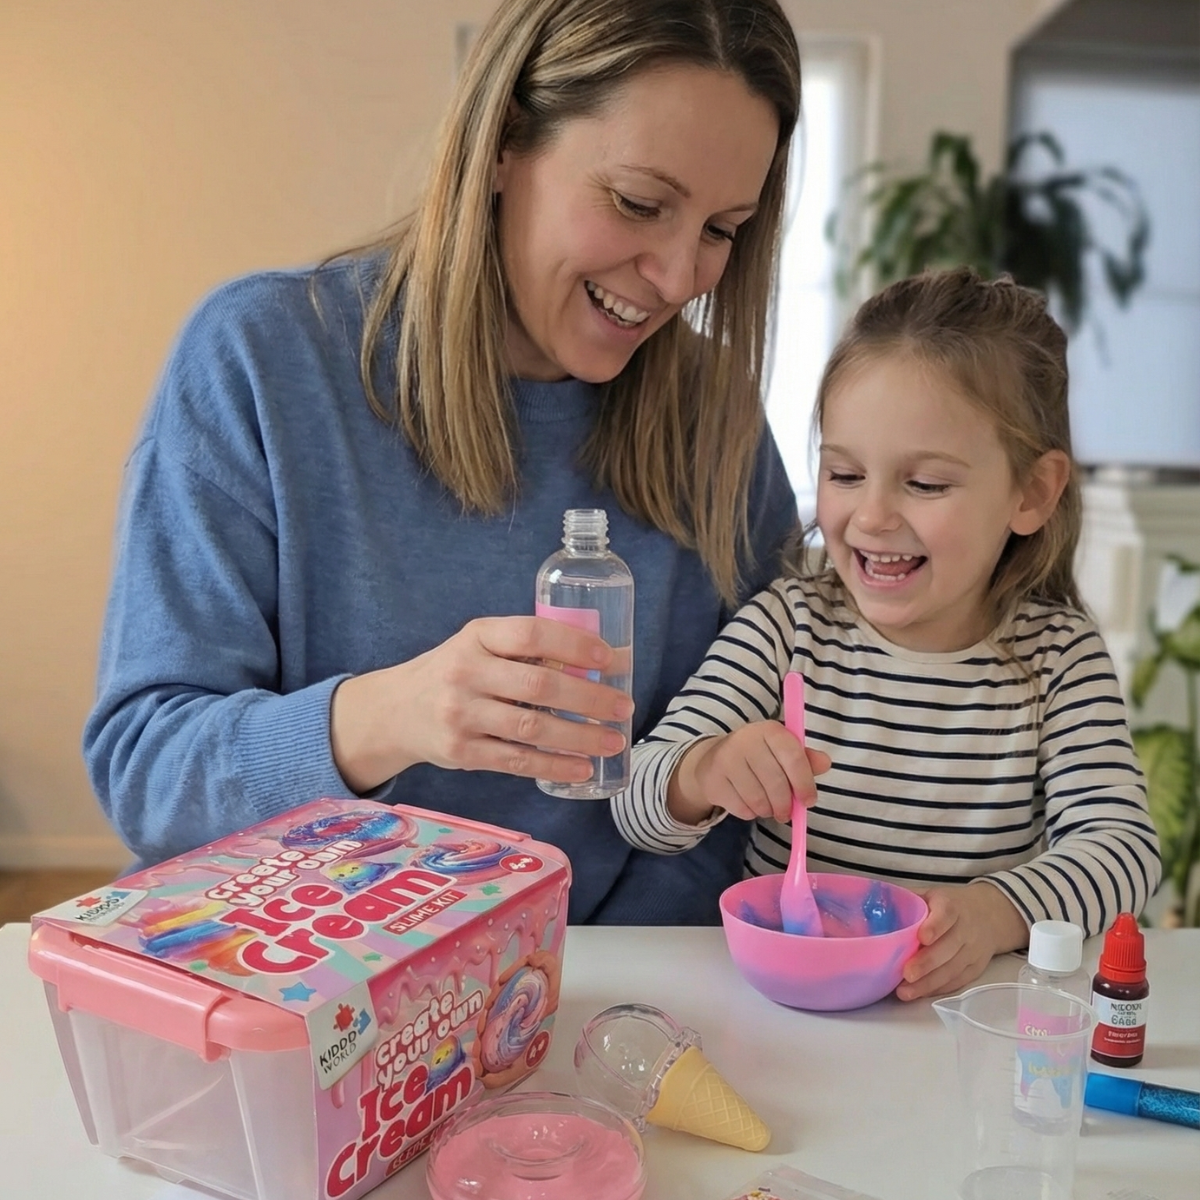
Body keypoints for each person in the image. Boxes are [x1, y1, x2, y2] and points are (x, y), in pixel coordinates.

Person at [82, 0, 804, 925]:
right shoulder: (262, 359)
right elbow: (148, 771)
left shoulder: (715, 416)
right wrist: (387, 717)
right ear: (504, 143)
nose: (676, 277)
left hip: (603, 1010)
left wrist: (579, 989)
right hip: (305, 993)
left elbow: (754, 767)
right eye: (638, 202)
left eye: (721, 229)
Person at [611, 267, 1162, 993]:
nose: (870, 518)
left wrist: (997, 912)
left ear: (1031, 493)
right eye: (844, 475)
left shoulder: (1056, 659)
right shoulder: (787, 626)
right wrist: (706, 770)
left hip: (962, 1022)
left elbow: (1123, 853)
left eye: (925, 484)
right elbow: (635, 800)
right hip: (786, 1011)